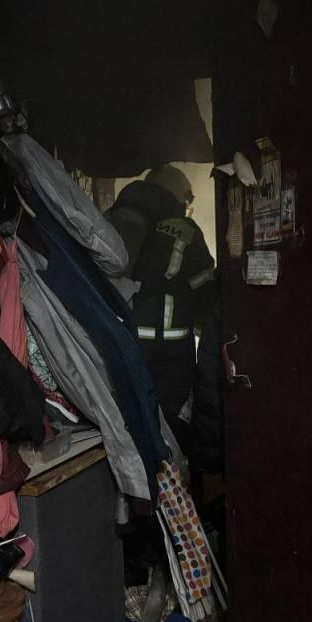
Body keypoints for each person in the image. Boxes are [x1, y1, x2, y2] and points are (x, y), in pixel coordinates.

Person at [106, 165, 217, 455]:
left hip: (126, 344)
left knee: (134, 425)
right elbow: (207, 288)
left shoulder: (118, 223)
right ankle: (177, 479)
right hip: (171, 357)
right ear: (176, 196)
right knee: (174, 431)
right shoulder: (186, 231)